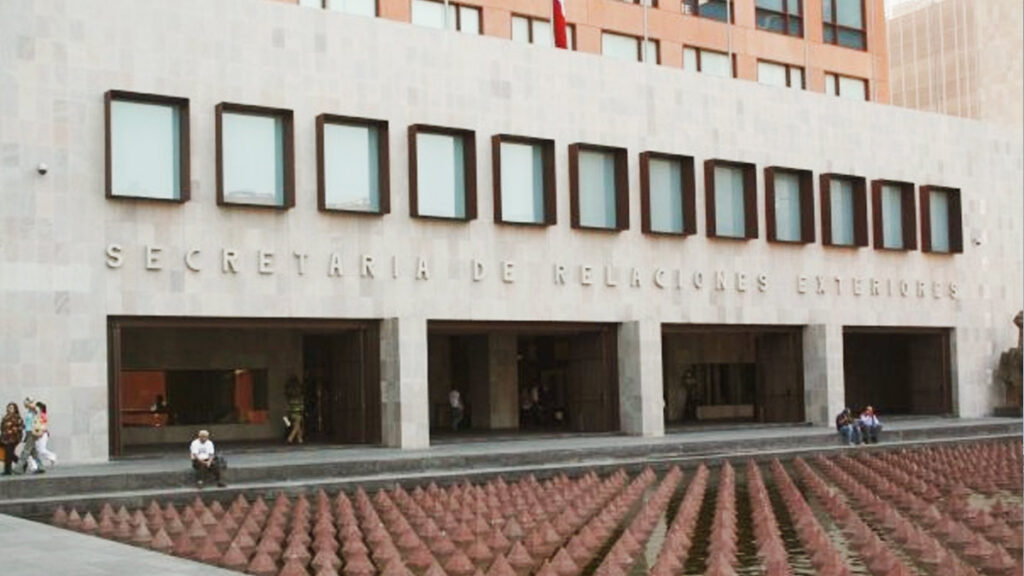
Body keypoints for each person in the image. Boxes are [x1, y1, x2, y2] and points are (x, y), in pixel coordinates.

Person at [18, 398, 41, 474]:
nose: (26, 405)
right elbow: (28, 423)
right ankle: (40, 466)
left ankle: (19, 467)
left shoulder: (35, 411)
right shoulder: (29, 412)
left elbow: (35, 410)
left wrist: (30, 401)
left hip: (32, 432)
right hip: (28, 432)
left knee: (26, 450)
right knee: (34, 452)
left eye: (27, 403)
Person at [1, 403, 24, 476]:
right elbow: (2, 427)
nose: (10, 409)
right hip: (5, 438)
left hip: (13, 438)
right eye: (9, 407)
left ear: (15, 409)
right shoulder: (5, 417)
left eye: (12, 408)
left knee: (8, 454)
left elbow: (21, 426)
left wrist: (14, 430)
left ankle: (7, 470)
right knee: (9, 454)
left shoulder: (17, 417)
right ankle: (22, 464)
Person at [33, 401, 57, 468]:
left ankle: (52, 456)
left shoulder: (43, 415)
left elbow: (44, 425)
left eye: (37, 407)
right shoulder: (35, 415)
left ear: (40, 408)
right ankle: (35, 466)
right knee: (35, 450)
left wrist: (41, 432)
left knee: (41, 450)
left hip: (42, 434)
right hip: (35, 434)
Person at [285, 376, 305, 444]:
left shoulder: (290, 394)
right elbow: (301, 404)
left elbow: (288, 405)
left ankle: (300, 439)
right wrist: (302, 410)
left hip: (292, 412)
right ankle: (290, 438)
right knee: (296, 426)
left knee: (296, 425)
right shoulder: (299, 394)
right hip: (298, 412)